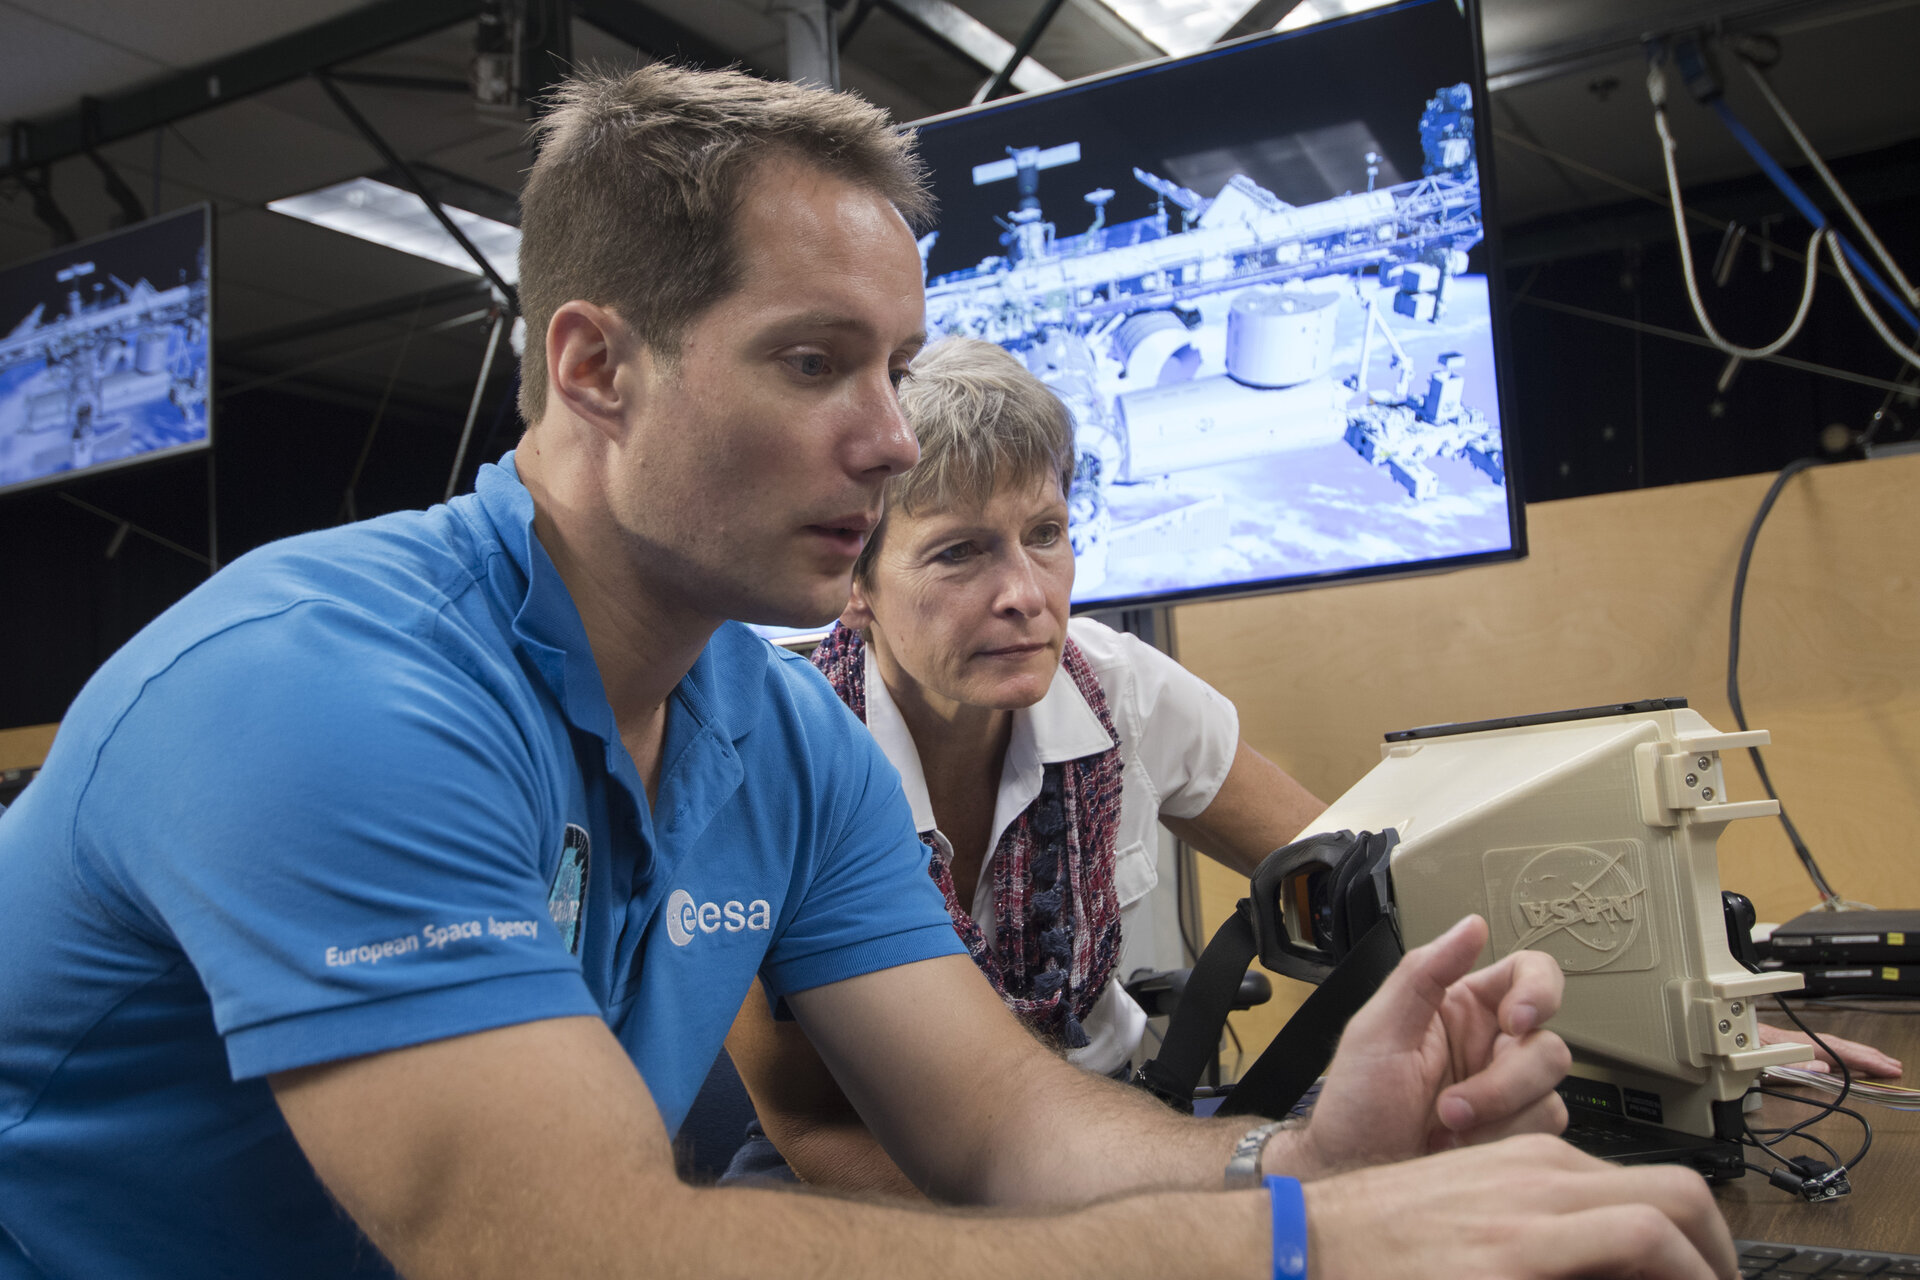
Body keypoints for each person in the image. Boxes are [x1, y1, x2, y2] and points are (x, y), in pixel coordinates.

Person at [0, 64, 1737, 1280]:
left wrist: (1290, 1165)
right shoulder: (323, 692)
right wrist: (1291, 1246)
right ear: (596, 367)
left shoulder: (772, 733)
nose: (894, 438)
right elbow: (570, 1252)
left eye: (895, 365)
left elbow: (998, 1125)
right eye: (814, 361)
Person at [725, 338, 1899, 1194]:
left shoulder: (1120, 691)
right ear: (855, 582)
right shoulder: (772, 752)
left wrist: (1709, 1035)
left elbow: (1391, 901)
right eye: (959, 553)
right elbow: (810, 1123)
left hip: (1102, 1126)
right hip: (874, 1170)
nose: (1026, 592)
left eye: (1047, 534)